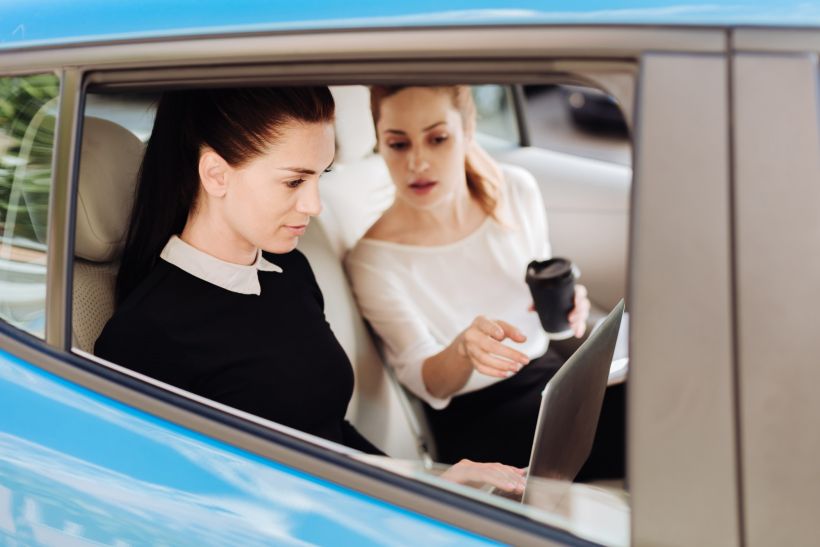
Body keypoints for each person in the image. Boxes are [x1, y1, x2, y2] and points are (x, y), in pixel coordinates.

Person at [94, 86, 526, 494]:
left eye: (321, 176)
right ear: (216, 174)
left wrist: (431, 486)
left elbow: (330, 434)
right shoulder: (143, 339)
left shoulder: (289, 271)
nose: (315, 205)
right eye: (294, 181)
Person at [345, 85, 624, 479]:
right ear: (380, 144)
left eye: (437, 139)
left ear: (468, 131)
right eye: (398, 144)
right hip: (483, 419)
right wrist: (463, 350)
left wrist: (569, 302)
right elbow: (427, 381)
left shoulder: (515, 191)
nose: (417, 162)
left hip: (552, 376)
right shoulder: (374, 259)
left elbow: (538, 290)